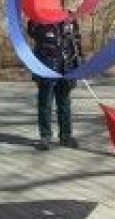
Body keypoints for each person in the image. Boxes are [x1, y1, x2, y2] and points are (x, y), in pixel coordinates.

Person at [27, 16, 83, 151]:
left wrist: (78, 68)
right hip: (47, 68)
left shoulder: (70, 20)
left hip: (66, 68)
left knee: (64, 104)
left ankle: (66, 135)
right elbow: (32, 32)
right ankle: (45, 136)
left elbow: (77, 45)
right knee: (45, 103)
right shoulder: (40, 19)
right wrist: (37, 19)